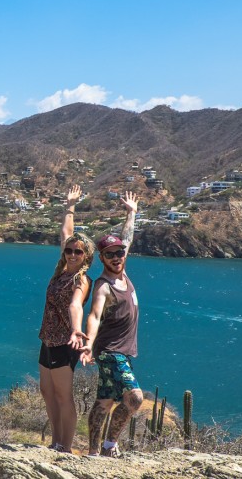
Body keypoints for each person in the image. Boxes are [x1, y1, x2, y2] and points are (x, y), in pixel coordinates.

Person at [80, 191, 141, 458]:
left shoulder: (123, 274)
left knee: (105, 400)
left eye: (119, 253)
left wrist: (132, 212)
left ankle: (94, 452)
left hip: (121, 351)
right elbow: (93, 316)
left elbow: (127, 238)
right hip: (110, 351)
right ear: (102, 258)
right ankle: (109, 445)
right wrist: (88, 345)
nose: (117, 257)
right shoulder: (103, 287)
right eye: (110, 254)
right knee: (135, 398)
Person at [37, 184, 95, 453]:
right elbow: (66, 233)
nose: (72, 254)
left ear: (87, 257)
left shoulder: (80, 279)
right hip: (47, 340)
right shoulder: (60, 271)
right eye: (70, 250)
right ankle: (55, 442)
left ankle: (65, 446)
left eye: (78, 252)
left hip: (64, 342)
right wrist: (69, 206)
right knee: (48, 393)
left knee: (63, 396)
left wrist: (76, 330)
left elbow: (75, 305)